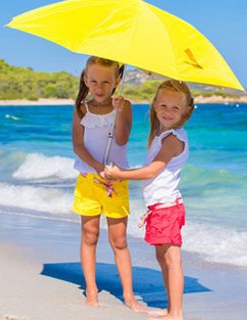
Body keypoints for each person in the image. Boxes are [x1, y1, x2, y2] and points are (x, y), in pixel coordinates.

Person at [104, 79, 194, 320]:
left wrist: (119, 174)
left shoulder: (174, 139)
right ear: (154, 105)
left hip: (168, 208)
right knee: (162, 257)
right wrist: (121, 108)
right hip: (160, 207)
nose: (168, 112)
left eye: (175, 108)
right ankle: (172, 307)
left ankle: (176, 313)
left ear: (186, 111)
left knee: (171, 260)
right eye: (163, 106)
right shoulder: (161, 135)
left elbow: (152, 171)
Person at [71, 56, 144, 312]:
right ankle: (91, 290)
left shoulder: (125, 106)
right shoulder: (81, 107)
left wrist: (120, 111)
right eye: (93, 81)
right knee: (89, 235)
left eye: (105, 81)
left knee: (119, 240)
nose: (99, 87)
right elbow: (78, 146)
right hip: (88, 180)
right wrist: (97, 167)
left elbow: (122, 140)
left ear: (117, 81)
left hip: (116, 182)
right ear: (85, 80)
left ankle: (129, 295)